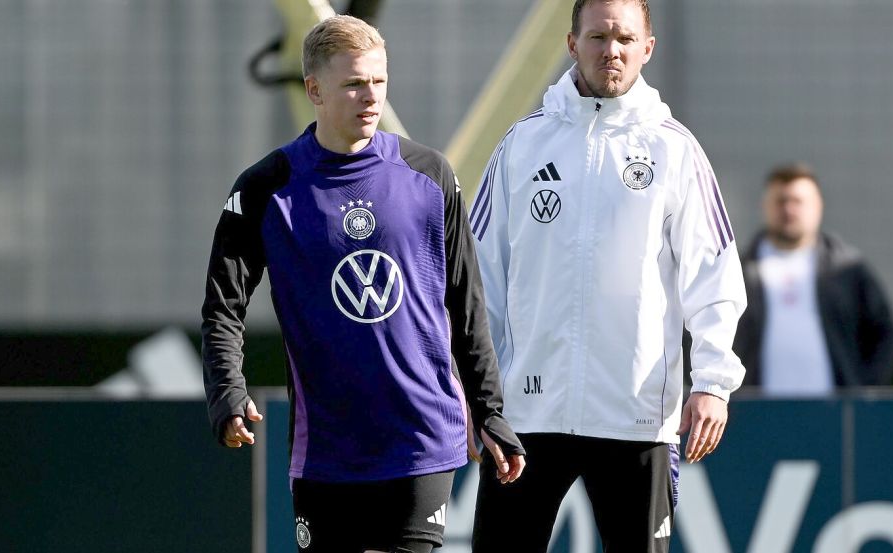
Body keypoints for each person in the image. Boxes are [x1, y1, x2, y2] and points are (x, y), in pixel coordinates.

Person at [200, 15, 524, 553]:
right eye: (353, 83)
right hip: (326, 451)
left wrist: (489, 412)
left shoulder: (431, 176)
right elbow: (223, 307)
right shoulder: (266, 189)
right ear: (314, 91)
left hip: (422, 441)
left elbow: (466, 304)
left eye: (378, 81)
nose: (369, 96)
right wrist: (226, 392)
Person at [468, 1, 747, 551]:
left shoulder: (675, 150)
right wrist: (477, 393)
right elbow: (479, 278)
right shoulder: (522, 145)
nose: (610, 50)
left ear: (648, 46)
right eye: (597, 37)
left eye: (624, 38)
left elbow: (715, 274)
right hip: (529, 410)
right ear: (572, 44)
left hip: (635, 415)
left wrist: (713, 381)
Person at [733, 163, 893, 396]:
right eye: (781, 201)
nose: (789, 210)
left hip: (833, 411)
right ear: (765, 206)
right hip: (755, 411)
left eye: (798, 201)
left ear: (818, 207)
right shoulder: (737, 270)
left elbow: (884, 332)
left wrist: (861, 388)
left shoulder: (847, 268)